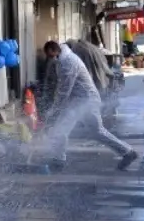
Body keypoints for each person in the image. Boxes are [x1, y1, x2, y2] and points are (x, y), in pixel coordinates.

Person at [42, 40, 137, 171]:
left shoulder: (68, 62)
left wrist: (53, 111)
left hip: (85, 100)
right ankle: (128, 152)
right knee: (91, 131)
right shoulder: (63, 59)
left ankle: (58, 160)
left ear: (54, 50)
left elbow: (64, 91)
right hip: (80, 100)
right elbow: (63, 88)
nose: (49, 59)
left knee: (65, 127)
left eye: (50, 55)